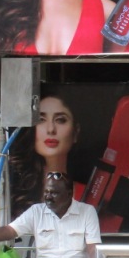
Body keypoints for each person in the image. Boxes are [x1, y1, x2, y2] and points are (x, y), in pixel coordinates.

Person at [8, 90, 82, 218]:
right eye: (41, 120)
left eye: (60, 120)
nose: (51, 129)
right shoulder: (14, 188)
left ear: (75, 132)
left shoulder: (90, 193)